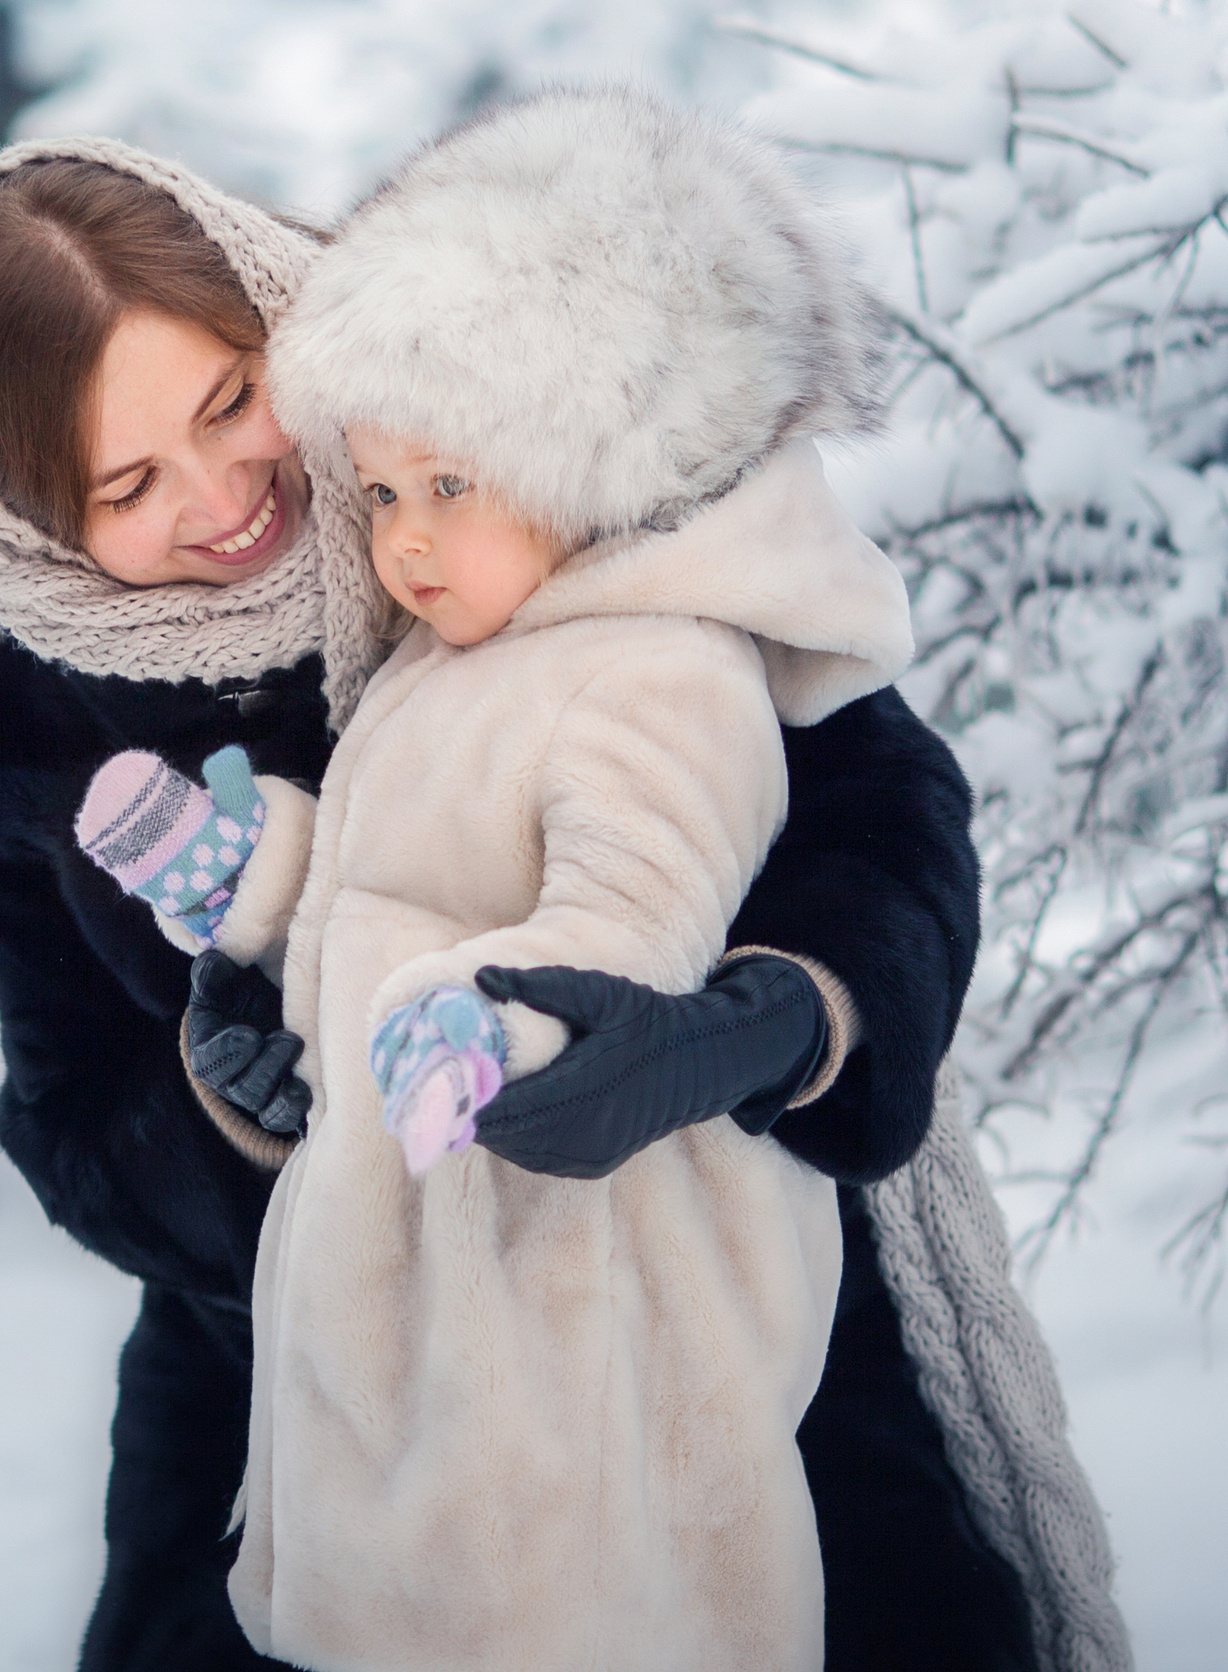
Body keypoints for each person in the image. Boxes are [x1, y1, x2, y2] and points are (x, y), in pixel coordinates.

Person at [0, 131, 1128, 1672]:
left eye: (231, 399)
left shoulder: (485, 405)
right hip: (323, 1375)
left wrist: (769, 1019)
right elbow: (71, 1116)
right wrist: (227, 1122)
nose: (225, 498)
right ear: (25, 522)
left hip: (714, 1271)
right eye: (129, 485)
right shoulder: (10, 710)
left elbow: (873, 796)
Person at [74, 91, 920, 1668]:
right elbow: (391, 888)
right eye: (382, 493)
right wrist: (252, 882)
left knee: (569, 1597)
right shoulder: (450, 661)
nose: (395, 541)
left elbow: (624, 919)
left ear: (585, 453)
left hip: (572, 1273)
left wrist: (496, 1029)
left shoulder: (656, 675)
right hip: (414, 1278)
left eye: (450, 484)